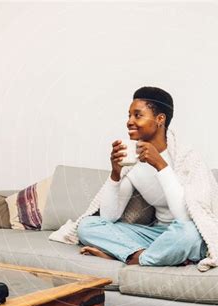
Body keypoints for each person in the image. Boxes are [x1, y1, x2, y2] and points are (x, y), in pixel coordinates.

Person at [77, 86, 207, 266]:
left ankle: (133, 257)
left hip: (186, 233)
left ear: (160, 119)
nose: (129, 122)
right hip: (155, 235)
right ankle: (149, 256)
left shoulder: (186, 156)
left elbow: (184, 217)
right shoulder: (133, 159)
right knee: (87, 226)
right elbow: (108, 217)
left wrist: (160, 164)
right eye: (129, 115)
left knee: (189, 233)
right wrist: (115, 174)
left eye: (137, 115)